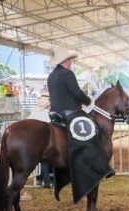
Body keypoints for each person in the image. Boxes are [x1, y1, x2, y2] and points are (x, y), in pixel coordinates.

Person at [47, 51, 114, 203]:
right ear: (66, 60)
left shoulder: (52, 75)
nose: (71, 62)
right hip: (70, 111)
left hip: (55, 113)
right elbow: (76, 93)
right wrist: (88, 100)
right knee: (91, 130)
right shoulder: (67, 74)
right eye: (70, 59)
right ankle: (98, 164)